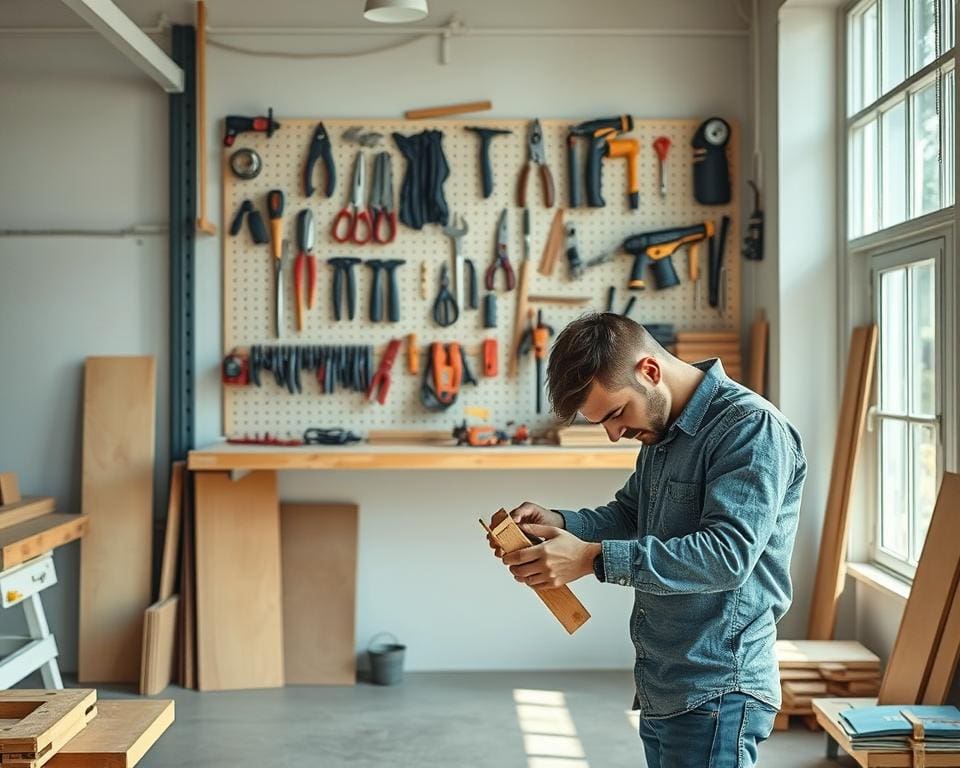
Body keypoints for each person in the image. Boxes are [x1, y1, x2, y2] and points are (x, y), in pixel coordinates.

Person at [489, 313, 806, 768]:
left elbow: (727, 555)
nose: (615, 433)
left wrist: (593, 560)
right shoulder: (662, 431)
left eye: (616, 414)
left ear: (649, 371)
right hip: (664, 683)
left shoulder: (749, 430)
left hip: (717, 687)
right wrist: (560, 522)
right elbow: (631, 515)